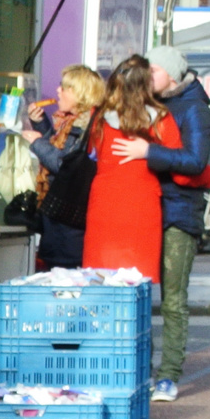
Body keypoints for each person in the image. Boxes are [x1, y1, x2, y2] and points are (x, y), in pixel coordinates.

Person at [115, 45, 210, 403]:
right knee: (140, 297)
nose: (146, 77)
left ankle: (168, 375)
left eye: (153, 70)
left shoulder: (194, 109)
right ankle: (141, 372)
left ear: (170, 74)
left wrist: (148, 153)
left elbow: (196, 161)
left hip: (178, 213)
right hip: (147, 210)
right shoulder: (150, 105)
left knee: (172, 299)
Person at [82, 55, 184, 284]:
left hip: (103, 206)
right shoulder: (161, 120)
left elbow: (93, 151)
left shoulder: (98, 117)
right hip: (142, 208)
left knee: (101, 280)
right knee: (137, 284)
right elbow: (180, 168)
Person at [17, 65, 107, 270]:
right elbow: (60, 149)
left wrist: (37, 142)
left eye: (64, 87)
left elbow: (63, 164)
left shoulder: (82, 127)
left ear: (80, 93)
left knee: (60, 271)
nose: (58, 91)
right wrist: (41, 124)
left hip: (67, 220)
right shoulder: (73, 122)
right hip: (62, 219)